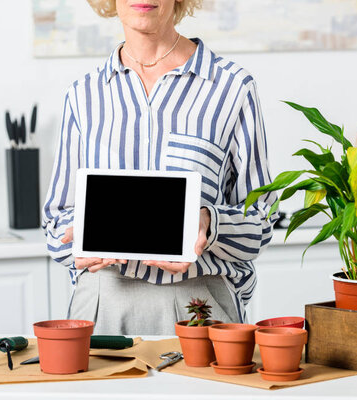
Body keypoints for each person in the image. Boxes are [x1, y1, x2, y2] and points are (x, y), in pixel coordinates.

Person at [42, 0, 278, 335]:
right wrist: (77, 237)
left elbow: (262, 221)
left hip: (199, 302)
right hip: (102, 301)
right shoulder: (83, 95)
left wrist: (208, 223)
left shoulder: (232, 88)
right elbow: (55, 222)